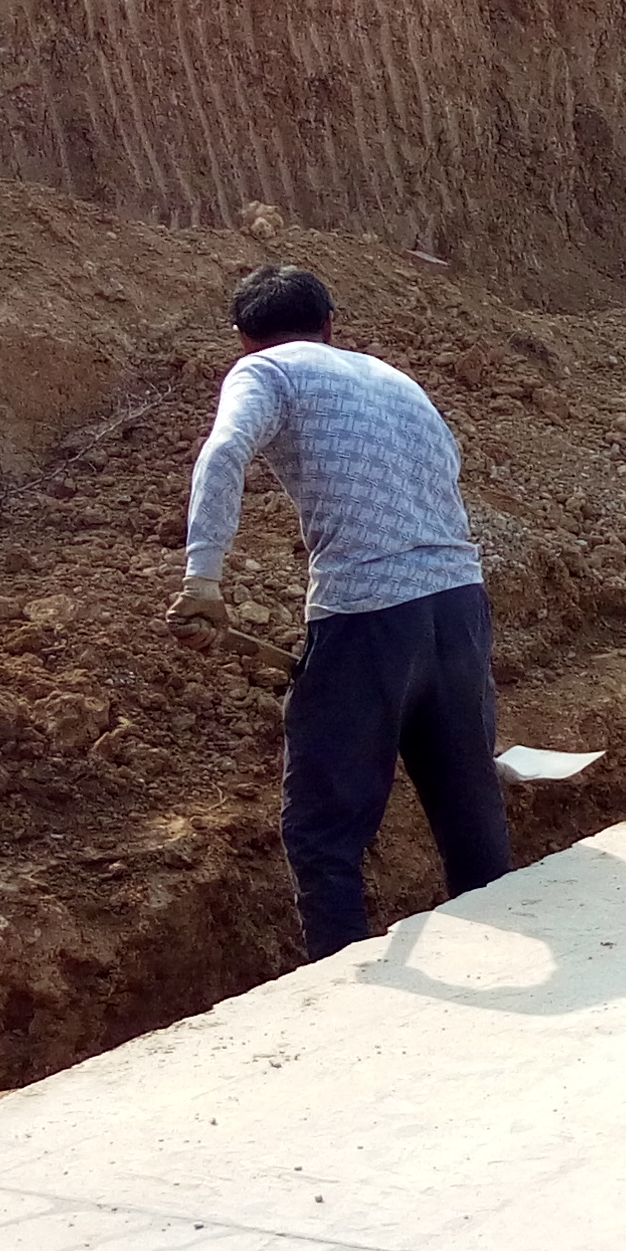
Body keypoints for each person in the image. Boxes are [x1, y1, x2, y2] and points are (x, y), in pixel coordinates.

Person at [168, 264, 510, 958]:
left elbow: (226, 448)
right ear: (330, 326)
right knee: (469, 807)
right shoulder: (392, 378)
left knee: (322, 831)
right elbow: (448, 463)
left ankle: (336, 995)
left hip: (367, 614)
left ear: (243, 339)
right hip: (459, 603)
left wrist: (203, 577)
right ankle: (501, 940)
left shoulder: (265, 373)